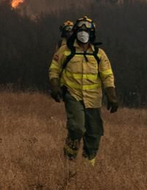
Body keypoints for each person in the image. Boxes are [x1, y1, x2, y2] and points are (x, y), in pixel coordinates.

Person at [48, 16, 118, 164]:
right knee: (77, 128)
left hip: (93, 99)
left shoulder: (99, 54)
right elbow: (54, 69)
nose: (83, 33)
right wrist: (55, 87)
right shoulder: (65, 51)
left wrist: (111, 96)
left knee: (94, 133)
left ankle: (89, 165)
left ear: (92, 33)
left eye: (87, 31)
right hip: (73, 95)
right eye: (80, 30)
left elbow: (107, 76)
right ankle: (69, 159)